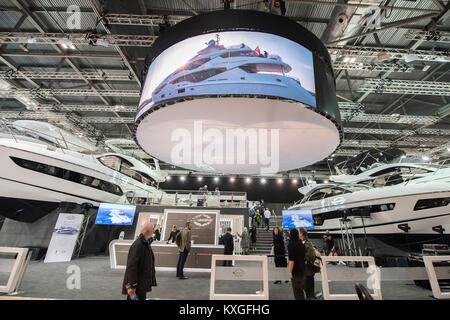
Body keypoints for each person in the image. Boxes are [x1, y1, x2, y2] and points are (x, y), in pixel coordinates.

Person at [122, 222, 157, 300]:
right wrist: (133, 285)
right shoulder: (138, 245)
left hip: (141, 284)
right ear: (146, 231)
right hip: (136, 285)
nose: (153, 231)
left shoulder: (145, 244)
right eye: (152, 229)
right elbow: (131, 267)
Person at [288, 228, 306, 300]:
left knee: (297, 292)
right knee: (300, 290)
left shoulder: (291, 244)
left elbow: (291, 260)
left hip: (295, 270)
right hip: (302, 269)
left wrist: (290, 272)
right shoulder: (300, 243)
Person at [299, 227, 316, 299]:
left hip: (308, 270)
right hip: (306, 270)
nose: (298, 233)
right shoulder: (304, 242)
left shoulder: (307, 243)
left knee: (309, 290)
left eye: (298, 232)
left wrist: (303, 259)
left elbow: (311, 255)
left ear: (301, 234)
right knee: (308, 290)